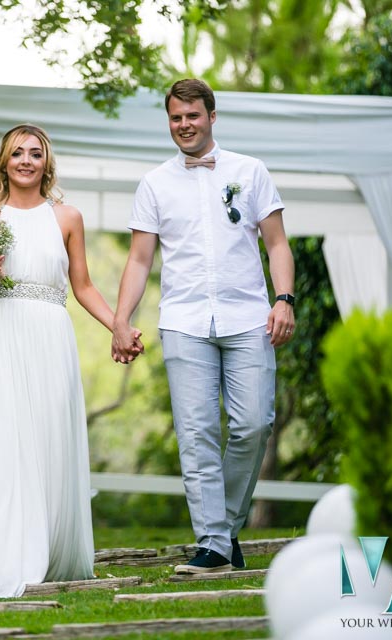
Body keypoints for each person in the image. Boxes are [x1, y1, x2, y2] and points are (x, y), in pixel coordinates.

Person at [111, 79, 295, 574]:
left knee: (255, 423)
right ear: (168, 121)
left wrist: (284, 300)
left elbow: (277, 244)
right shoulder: (154, 184)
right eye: (175, 117)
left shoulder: (250, 172)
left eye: (192, 115)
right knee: (196, 434)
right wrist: (120, 320)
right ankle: (214, 543)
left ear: (212, 116)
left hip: (248, 317)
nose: (184, 125)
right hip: (184, 321)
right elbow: (139, 260)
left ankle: (225, 529)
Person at [0, 123, 143, 597]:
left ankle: (51, 551)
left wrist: (119, 325)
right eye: (17, 153)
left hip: (49, 334)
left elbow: (82, 287)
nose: (25, 160)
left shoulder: (67, 218)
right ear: (4, 162)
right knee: (3, 443)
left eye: (35, 153)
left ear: (47, 163)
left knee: (47, 440)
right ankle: (5, 556)